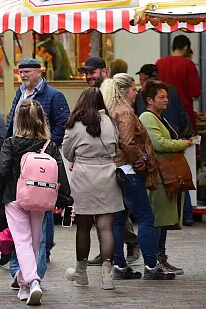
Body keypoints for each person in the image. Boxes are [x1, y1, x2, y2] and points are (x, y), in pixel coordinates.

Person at [101, 74, 176, 280]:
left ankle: (119, 265)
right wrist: (140, 162)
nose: (136, 93)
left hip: (113, 170)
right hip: (128, 171)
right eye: (133, 89)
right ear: (124, 91)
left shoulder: (108, 110)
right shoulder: (125, 111)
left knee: (118, 220)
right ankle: (151, 266)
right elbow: (127, 142)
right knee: (146, 217)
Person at [0, 99, 71, 306]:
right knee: (35, 242)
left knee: (22, 241)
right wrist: (66, 199)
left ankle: (32, 281)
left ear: (18, 121)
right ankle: (23, 285)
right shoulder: (49, 146)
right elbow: (60, 174)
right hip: (40, 198)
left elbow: (2, 171)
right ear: (42, 120)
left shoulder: (11, 143)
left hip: (14, 197)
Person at [5, 58, 69, 268]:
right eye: (21, 72)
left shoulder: (54, 96)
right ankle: (25, 256)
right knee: (23, 199)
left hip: (41, 157)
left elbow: (62, 124)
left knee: (42, 199)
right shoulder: (19, 93)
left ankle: (43, 249)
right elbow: (11, 121)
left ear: (39, 72)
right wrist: (7, 144)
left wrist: (49, 146)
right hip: (18, 155)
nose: (23, 75)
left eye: (27, 72)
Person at [61, 87, 124, 290]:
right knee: (106, 228)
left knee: (83, 227)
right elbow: (116, 148)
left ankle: (81, 273)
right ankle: (107, 276)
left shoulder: (74, 124)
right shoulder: (110, 122)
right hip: (107, 176)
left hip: (83, 177)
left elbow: (67, 152)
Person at [138, 79, 194, 276]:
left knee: (162, 221)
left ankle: (160, 258)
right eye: (161, 97)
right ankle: (154, 260)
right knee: (157, 219)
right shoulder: (147, 117)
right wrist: (183, 144)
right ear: (150, 100)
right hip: (159, 176)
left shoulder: (159, 117)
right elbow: (158, 143)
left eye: (166, 97)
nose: (166, 100)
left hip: (166, 176)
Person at [156, 34, 200, 132]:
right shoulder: (188, 64)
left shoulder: (159, 63)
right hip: (183, 111)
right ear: (186, 47)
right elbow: (195, 92)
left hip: (162, 111)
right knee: (188, 140)